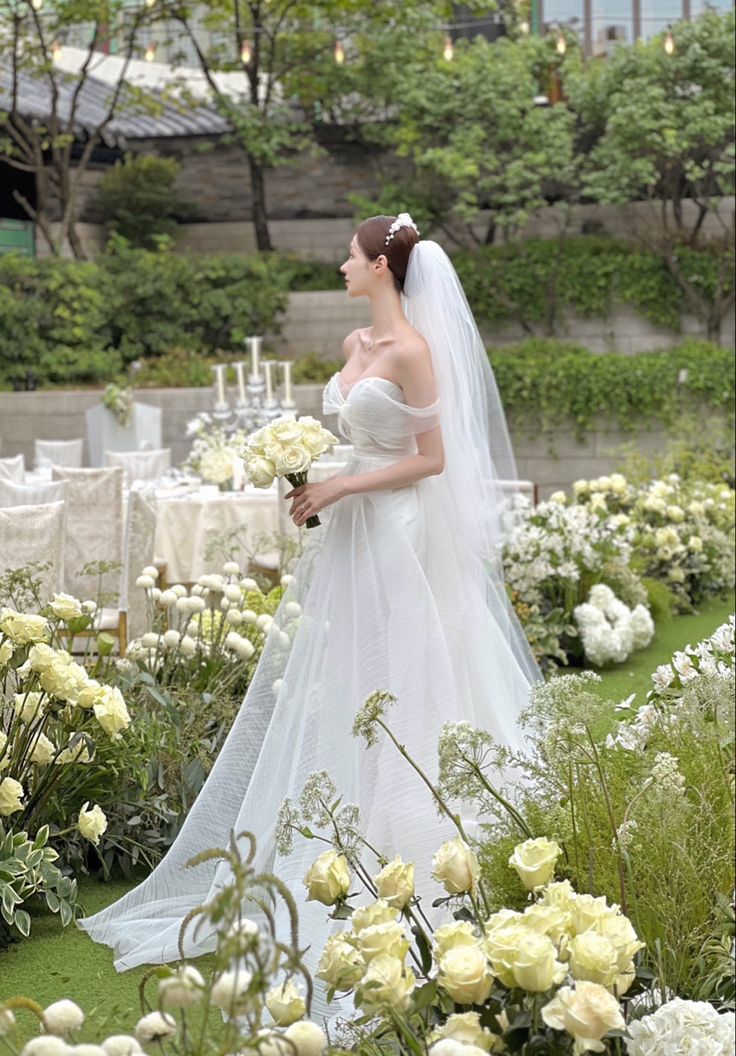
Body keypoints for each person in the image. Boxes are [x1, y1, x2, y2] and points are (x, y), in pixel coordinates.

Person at [78, 213, 542, 1014]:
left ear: (383, 269)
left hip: (396, 535)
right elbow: (361, 446)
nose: (340, 266)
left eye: (351, 258)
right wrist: (308, 474)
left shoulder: (412, 354)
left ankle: (417, 850)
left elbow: (430, 462)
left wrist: (340, 485)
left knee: (406, 683)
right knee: (353, 680)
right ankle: (353, 842)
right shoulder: (353, 350)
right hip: (350, 539)